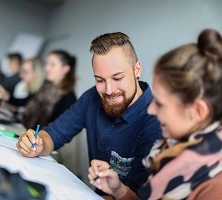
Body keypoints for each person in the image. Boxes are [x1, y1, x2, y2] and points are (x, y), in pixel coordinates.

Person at [16, 32, 162, 194]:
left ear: (137, 69)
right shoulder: (92, 97)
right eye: (100, 80)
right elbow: (54, 133)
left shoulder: (157, 121)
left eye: (117, 78)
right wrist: (37, 144)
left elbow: (140, 196)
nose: (109, 90)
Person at [88, 29, 222, 200]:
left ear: (198, 111)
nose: (151, 110)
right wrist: (118, 190)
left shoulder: (215, 188)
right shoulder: (169, 150)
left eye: (160, 103)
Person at [22, 50, 77, 129]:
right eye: (47, 64)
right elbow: (27, 102)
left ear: (65, 69)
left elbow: (57, 128)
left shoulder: (68, 98)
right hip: (27, 129)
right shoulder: (44, 86)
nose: (47, 68)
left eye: (52, 65)